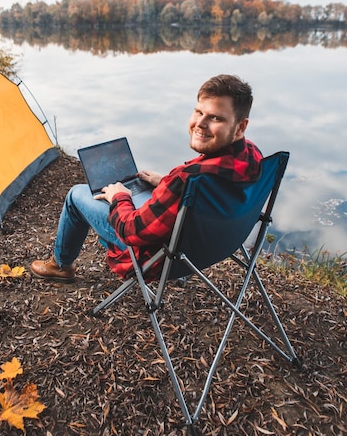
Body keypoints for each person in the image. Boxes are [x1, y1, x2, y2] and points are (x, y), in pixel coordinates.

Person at [30, 74, 263, 283]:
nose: (200, 124)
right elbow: (204, 194)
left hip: (164, 258)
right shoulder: (253, 156)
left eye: (216, 118)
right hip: (210, 247)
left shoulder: (186, 180)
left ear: (240, 127)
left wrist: (119, 197)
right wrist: (165, 182)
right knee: (138, 194)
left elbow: (131, 232)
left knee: (77, 195)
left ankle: (60, 267)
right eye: (199, 112)